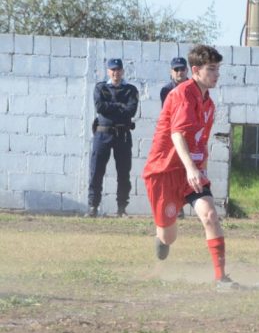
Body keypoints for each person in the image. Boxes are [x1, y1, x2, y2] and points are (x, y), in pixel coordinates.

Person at [142, 45, 239, 290]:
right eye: (212, 69)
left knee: (210, 216)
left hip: (191, 170)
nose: (217, 74)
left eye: (218, 69)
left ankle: (221, 279)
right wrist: (190, 168)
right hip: (164, 171)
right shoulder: (182, 94)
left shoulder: (209, 103)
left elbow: (199, 140)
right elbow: (177, 135)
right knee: (168, 236)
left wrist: (199, 169)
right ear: (195, 70)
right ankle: (161, 238)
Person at [86, 58, 139, 218]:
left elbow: (131, 111)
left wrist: (111, 107)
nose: (116, 73)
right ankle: (93, 207)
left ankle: (121, 209)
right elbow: (100, 107)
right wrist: (120, 106)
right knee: (96, 171)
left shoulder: (130, 90)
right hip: (103, 134)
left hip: (122, 135)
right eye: (113, 70)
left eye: (118, 70)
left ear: (123, 71)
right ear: (108, 71)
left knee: (124, 173)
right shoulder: (100, 88)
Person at [160, 57, 190, 219]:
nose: (179, 72)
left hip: (190, 135)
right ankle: (175, 207)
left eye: (182, 69)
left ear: (187, 70)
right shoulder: (166, 90)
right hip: (173, 136)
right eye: (176, 69)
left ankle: (184, 204)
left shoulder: (193, 88)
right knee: (172, 172)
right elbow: (168, 115)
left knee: (187, 172)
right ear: (171, 71)